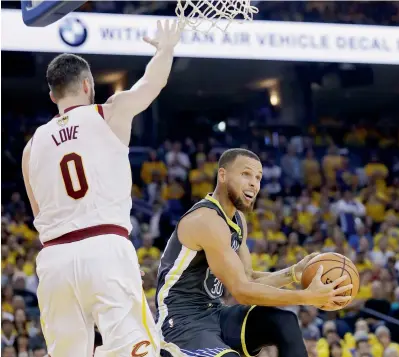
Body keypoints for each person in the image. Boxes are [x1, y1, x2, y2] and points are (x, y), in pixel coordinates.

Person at [21, 20, 181, 357]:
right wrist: (166, 48)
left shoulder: (31, 147)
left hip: (54, 259)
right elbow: (154, 82)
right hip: (106, 247)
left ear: (52, 95)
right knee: (136, 350)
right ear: (87, 84)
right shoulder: (108, 113)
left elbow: (39, 216)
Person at [155, 148, 352, 357]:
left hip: (214, 314)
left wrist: (295, 272)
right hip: (179, 323)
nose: (254, 184)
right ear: (222, 175)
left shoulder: (237, 219)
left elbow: (248, 278)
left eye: (258, 178)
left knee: (284, 322)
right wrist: (306, 296)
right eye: (245, 174)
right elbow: (241, 291)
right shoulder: (206, 220)